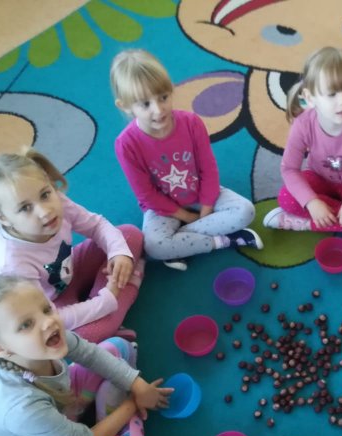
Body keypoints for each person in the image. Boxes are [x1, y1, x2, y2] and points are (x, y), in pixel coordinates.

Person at [0, 275, 173, 436]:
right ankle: (110, 418)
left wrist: (138, 386)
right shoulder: (21, 408)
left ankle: (105, 418)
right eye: (26, 324)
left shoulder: (45, 340)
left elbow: (90, 354)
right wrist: (133, 402)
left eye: (46, 309)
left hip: (57, 405)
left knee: (118, 347)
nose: (48, 322)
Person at [0, 149, 144, 343]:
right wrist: (106, 300)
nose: (45, 211)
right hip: (48, 305)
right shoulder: (10, 263)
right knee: (83, 337)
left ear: (49, 184)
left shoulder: (56, 202)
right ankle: (125, 287)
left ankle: (113, 300)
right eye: (25, 208)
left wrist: (118, 253)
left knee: (128, 235)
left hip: (70, 269)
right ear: (2, 218)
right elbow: (46, 316)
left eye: (45, 194)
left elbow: (96, 225)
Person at [111, 48, 263, 272]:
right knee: (153, 246)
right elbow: (147, 195)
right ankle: (223, 240)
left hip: (200, 193)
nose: (159, 110)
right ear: (125, 106)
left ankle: (179, 245)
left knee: (246, 211)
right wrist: (186, 216)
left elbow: (208, 169)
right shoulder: (126, 144)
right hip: (163, 208)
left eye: (163, 97)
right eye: (145, 104)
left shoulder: (191, 123)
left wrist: (206, 209)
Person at [263, 46, 342, 249]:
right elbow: (289, 169)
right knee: (286, 197)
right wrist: (312, 203)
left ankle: (304, 223)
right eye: (332, 94)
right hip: (318, 177)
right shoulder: (303, 124)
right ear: (310, 98)